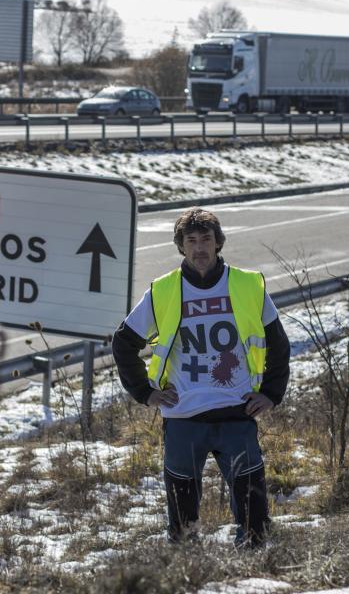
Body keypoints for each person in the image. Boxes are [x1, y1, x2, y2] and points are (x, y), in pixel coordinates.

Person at [112, 207, 290, 547]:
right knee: (182, 522)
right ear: (181, 246)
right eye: (190, 241)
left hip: (237, 410)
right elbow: (123, 343)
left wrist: (271, 392)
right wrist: (145, 393)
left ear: (219, 242)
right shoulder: (163, 291)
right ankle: (187, 573)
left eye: (206, 239)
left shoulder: (248, 285)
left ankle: (253, 574)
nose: (199, 248)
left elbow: (278, 344)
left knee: (255, 520)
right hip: (183, 414)